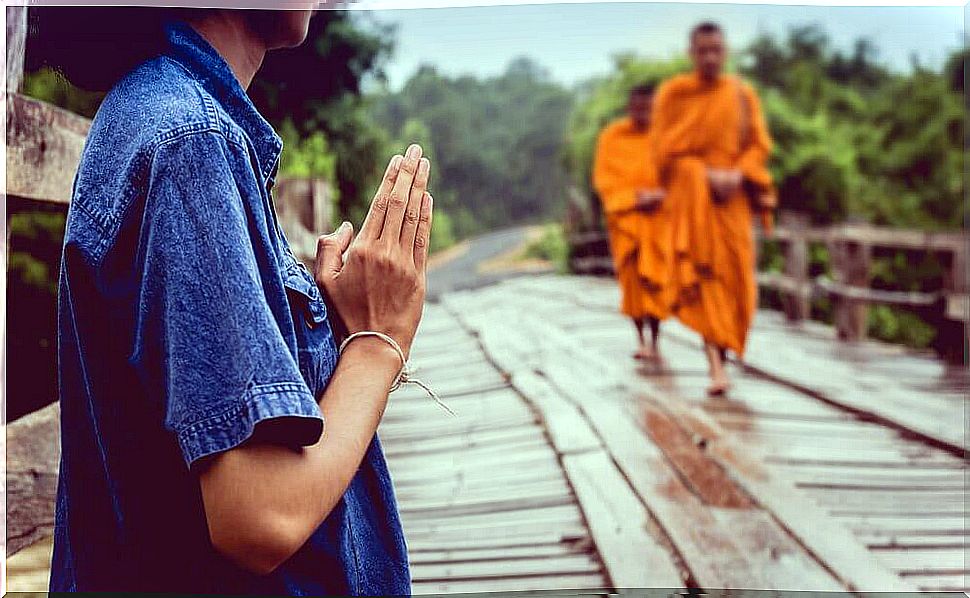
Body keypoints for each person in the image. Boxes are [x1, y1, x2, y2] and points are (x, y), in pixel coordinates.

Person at [50, 8, 431, 594]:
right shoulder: (189, 142)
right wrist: (378, 345)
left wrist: (334, 330)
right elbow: (259, 518)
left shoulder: (168, 117)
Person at [651, 21, 775, 395]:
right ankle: (715, 367)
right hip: (695, 202)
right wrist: (702, 174)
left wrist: (737, 174)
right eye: (702, 50)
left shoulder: (741, 94)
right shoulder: (674, 94)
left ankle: (726, 347)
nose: (709, 57)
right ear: (691, 53)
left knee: (738, 282)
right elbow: (662, 153)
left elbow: (759, 145)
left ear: (726, 52)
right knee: (706, 278)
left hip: (732, 201)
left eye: (716, 50)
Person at [592, 84, 672, 359]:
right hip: (626, 221)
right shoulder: (613, 136)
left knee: (656, 280)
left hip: (657, 221)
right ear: (629, 107)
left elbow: (678, 175)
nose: (643, 113)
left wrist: (661, 195)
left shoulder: (665, 137)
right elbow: (604, 180)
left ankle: (655, 339)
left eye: (648, 108)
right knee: (632, 283)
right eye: (638, 107)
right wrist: (635, 198)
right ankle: (640, 338)